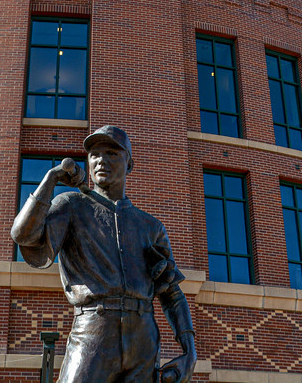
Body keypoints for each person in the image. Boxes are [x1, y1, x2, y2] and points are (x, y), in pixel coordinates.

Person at [11, 125, 197, 383]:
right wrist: (51, 178)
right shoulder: (71, 205)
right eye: (94, 154)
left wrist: (190, 351)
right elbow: (23, 235)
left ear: (129, 165)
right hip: (93, 333)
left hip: (143, 338)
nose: (101, 160)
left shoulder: (150, 226)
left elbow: (172, 294)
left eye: (111, 153)